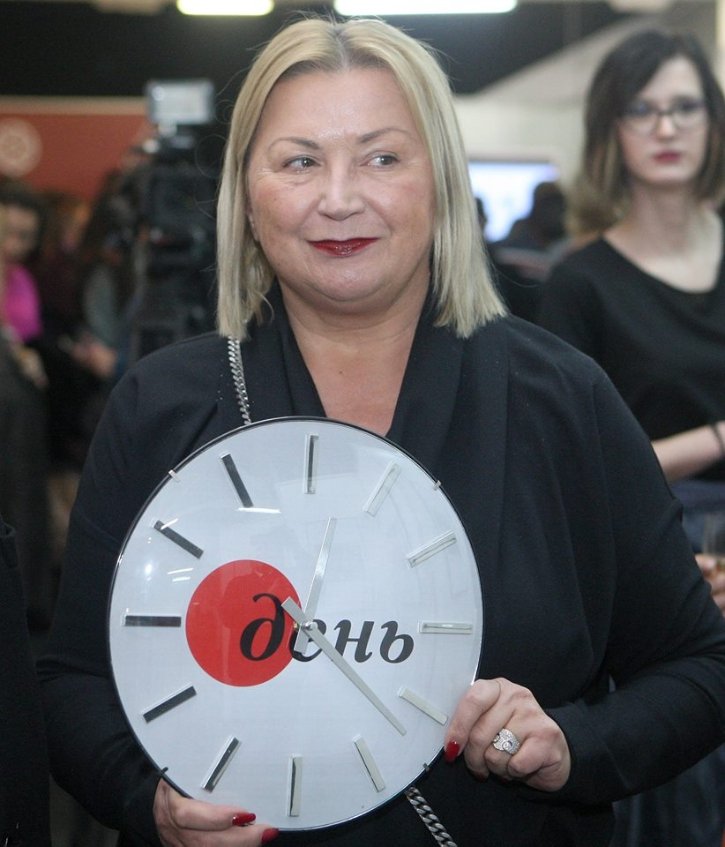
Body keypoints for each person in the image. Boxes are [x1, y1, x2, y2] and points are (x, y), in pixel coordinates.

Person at [38, 17, 725, 847]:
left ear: (440, 180)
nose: (339, 198)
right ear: (246, 194)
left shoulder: (560, 399)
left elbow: (699, 665)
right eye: (299, 161)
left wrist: (570, 745)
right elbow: (73, 681)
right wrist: (146, 801)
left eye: (382, 158)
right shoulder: (161, 406)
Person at [537, 29, 725, 846]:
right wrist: (715, 435)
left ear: (712, 120)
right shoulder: (579, 284)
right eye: (641, 110)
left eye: (685, 107)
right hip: (656, 555)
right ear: (610, 130)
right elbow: (572, 469)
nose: (666, 127)